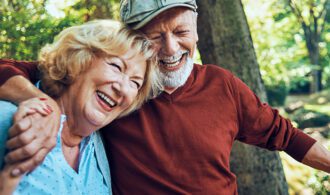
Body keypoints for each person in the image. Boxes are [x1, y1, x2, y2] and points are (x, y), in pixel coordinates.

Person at [0, 0, 329, 194]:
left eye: (181, 32)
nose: (171, 49)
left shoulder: (222, 84)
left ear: (197, 30)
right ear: (135, 43)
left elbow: (286, 136)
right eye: (155, 37)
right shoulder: (109, 95)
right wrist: (35, 101)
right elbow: (36, 68)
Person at [0, 19, 159, 194]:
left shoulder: (100, 147)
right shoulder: (10, 120)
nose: (122, 89)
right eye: (116, 66)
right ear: (78, 59)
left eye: (135, 83)